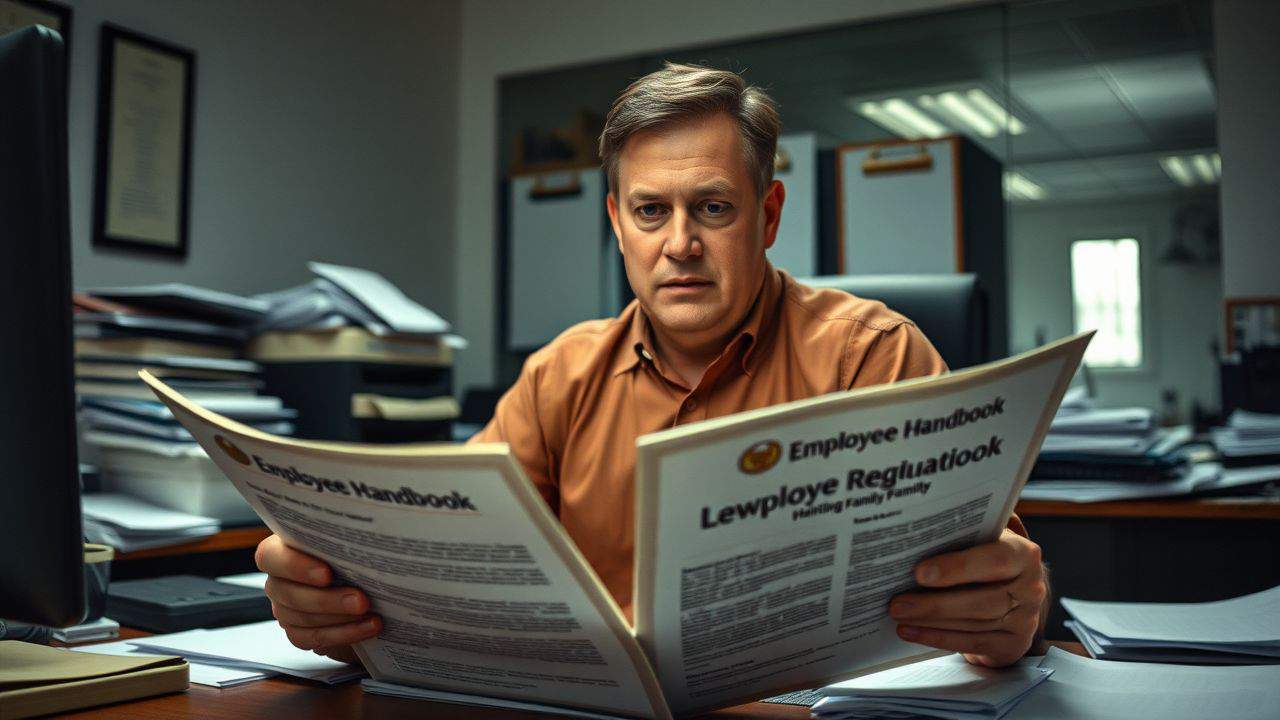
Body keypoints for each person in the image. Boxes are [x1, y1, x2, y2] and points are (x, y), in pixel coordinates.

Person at [255, 63, 1049, 670]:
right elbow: (453, 559)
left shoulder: (873, 355)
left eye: (712, 207)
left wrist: (1011, 611)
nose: (679, 245)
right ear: (617, 223)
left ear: (767, 216)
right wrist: (341, 599)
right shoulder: (560, 375)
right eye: (649, 211)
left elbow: (991, 589)